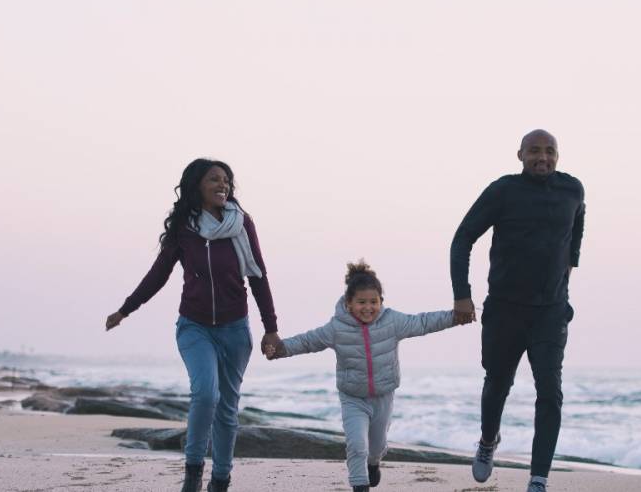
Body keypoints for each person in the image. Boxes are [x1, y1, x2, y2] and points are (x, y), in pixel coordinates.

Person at [105, 158, 281, 492]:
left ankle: (221, 479)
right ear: (197, 185)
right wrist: (126, 309)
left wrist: (270, 327)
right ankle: (193, 472)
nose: (222, 185)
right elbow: (159, 273)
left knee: (228, 408)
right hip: (195, 327)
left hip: (235, 330)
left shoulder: (242, 224)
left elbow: (258, 275)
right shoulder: (183, 228)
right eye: (214, 179)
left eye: (226, 181)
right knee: (204, 394)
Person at [450, 130, 585, 492]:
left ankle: (538, 478)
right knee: (497, 384)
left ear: (558, 155)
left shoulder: (573, 190)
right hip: (505, 310)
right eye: (534, 151)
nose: (543, 157)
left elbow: (574, 240)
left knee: (550, 391)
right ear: (520, 155)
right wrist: (462, 295)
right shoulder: (503, 191)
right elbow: (463, 236)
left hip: (550, 313)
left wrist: (562, 288)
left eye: (550, 151)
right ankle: (488, 441)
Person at [266, 261, 469, 492]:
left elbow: (423, 322)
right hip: (353, 398)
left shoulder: (393, 322)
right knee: (356, 446)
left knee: (377, 447)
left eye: (374, 302)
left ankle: (373, 464)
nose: (368, 307)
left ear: (381, 302)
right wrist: (280, 349)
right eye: (361, 302)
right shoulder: (336, 328)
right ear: (349, 303)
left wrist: (455, 317)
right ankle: (359, 486)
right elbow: (307, 341)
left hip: (383, 397)